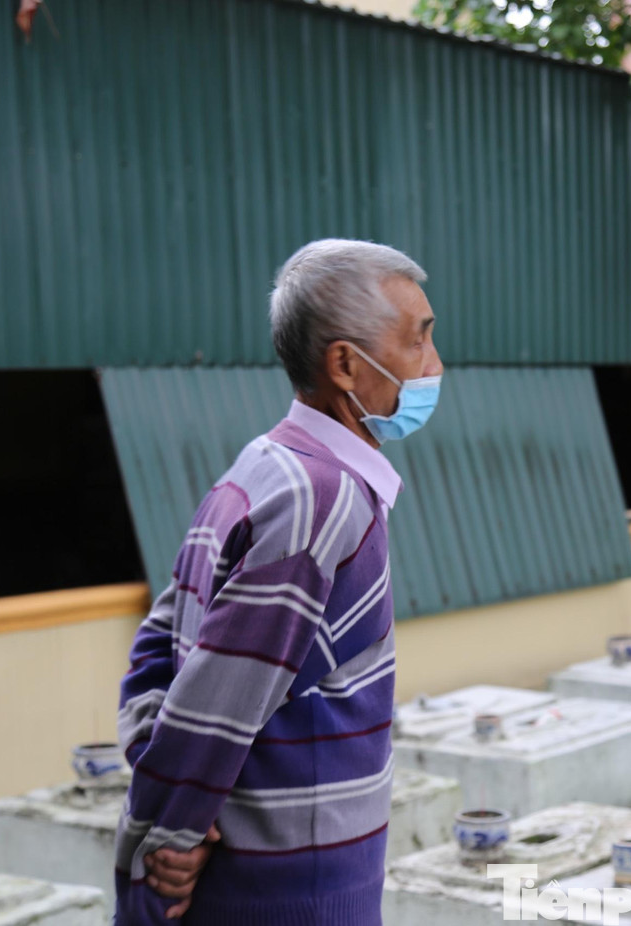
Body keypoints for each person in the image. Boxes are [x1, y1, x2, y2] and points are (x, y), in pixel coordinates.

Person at [113, 239, 441, 924]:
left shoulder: (263, 465)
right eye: (419, 341)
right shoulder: (324, 501)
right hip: (295, 888)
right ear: (347, 364)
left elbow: (158, 649)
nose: (433, 365)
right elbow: (216, 697)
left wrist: (163, 789)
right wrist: (172, 833)